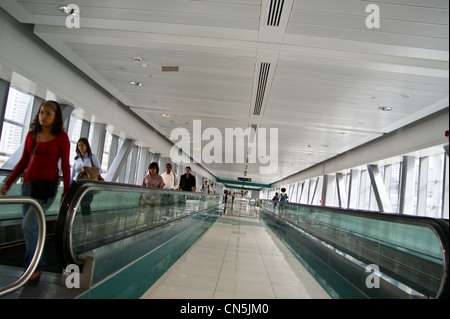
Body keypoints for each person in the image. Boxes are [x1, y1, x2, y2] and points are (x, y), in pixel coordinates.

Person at [1, 100, 71, 282]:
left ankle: (35, 267)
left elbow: (65, 164)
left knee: (28, 225)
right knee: (31, 228)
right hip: (28, 186)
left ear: (56, 117)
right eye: (41, 112)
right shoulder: (32, 135)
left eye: (48, 113)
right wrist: (7, 183)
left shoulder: (61, 137)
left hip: (47, 188)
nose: (43, 116)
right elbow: (24, 161)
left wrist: (67, 190)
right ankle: (33, 265)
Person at [71, 137, 102, 226]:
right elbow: (73, 173)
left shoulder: (92, 157)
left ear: (86, 146)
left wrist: (87, 170)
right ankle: (72, 225)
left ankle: (87, 227)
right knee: (74, 206)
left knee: (85, 206)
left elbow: (99, 170)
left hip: (88, 186)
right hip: (76, 184)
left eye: (82, 145)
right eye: (79, 145)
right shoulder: (76, 159)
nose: (80, 147)